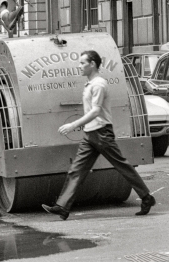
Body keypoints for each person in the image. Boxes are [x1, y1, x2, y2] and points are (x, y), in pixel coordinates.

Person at [42, 50, 156, 220]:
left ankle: (147, 197)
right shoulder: (90, 84)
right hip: (91, 133)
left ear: (93, 64)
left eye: (82, 63)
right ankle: (63, 207)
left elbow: (96, 111)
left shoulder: (99, 85)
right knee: (76, 170)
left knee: (121, 166)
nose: (79, 66)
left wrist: (73, 125)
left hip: (102, 132)